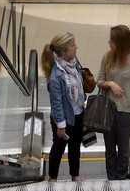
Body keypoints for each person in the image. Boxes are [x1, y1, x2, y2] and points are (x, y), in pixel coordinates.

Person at [97, 25, 130, 179]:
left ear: (120, 41)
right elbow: (99, 80)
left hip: (126, 110)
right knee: (110, 150)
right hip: (108, 110)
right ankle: (111, 179)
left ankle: (122, 179)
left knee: (124, 150)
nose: (108, 42)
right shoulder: (107, 57)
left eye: (111, 40)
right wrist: (110, 84)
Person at [42, 31, 85, 181]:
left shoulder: (74, 63)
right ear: (63, 51)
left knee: (75, 146)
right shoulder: (56, 76)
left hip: (78, 113)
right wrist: (61, 125)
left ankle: (75, 175)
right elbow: (56, 103)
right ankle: (53, 177)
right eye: (73, 45)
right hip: (63, 119)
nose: (76, 47)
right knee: (59, 147)